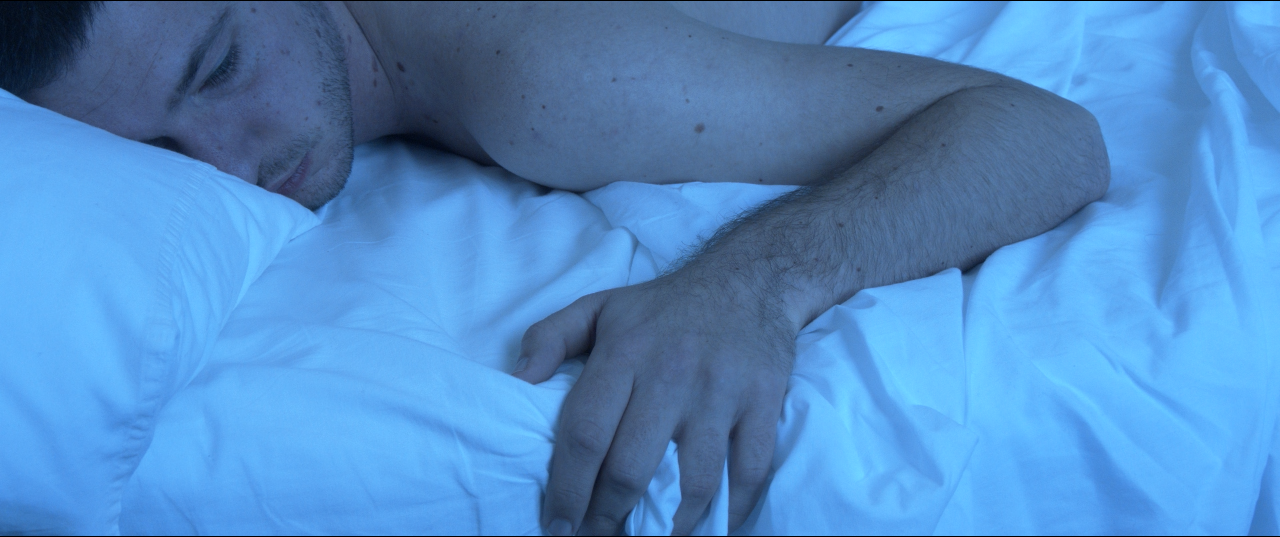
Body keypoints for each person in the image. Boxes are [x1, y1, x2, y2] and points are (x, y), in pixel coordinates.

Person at [1, 2, 1109, 534]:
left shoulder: (543, 81)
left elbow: (1044, 135)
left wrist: (746, 287)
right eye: (153, 152)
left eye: (220, 68)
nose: (229, 164)